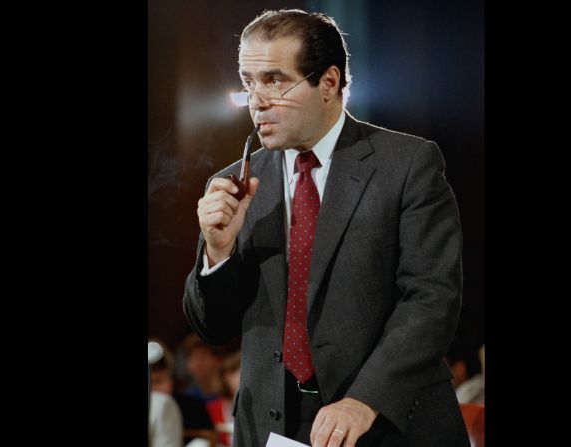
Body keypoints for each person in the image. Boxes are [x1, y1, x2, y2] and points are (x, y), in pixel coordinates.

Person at [183, 8, 467, 447]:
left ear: (329, 83)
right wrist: (218, 254)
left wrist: (364, 399)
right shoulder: (234, 184)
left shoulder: (407, 165)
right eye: (248, 82)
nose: (257, 100)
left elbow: (431, 300)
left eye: (275, 80)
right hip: (271, 426)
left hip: (384, 421)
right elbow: (213, 330)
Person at [149, 339, 185, 447]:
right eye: (156, 381)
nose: (166, 387)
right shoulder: (163, 403)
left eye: (168, 379)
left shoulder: (187, 406)